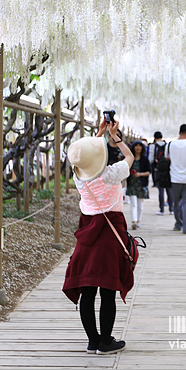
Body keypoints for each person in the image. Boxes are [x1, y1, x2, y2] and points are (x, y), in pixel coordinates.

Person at [63, 118, 132, 355]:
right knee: (108, 291)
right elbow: (130, 159)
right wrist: (116, 139)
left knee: (88, 290)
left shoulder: (78, 177)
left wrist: (98, 135)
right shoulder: (112, 174)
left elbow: (86, 157)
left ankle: (93, 341)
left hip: (87, 236)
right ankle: (105, 342)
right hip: (110, 236)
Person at [126, 141, 151, 229]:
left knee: (140, 205)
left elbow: (148, 172)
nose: (138, 148)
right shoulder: (130, 159)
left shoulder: (145, 159)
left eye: (140, 146)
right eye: (136, 146)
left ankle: (138, 220)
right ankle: (134, 221)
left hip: (141, 185)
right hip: (132, 184)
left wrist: (139, 174)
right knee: (133, 203)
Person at [150, 131, 172, 215]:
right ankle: (171, 209)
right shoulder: (167, 145)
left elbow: (151, 159)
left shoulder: (153, 146)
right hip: (167, 170)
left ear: (154, 138)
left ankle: (162, 209)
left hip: (158, 170)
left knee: (161, 190)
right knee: (169, 189)